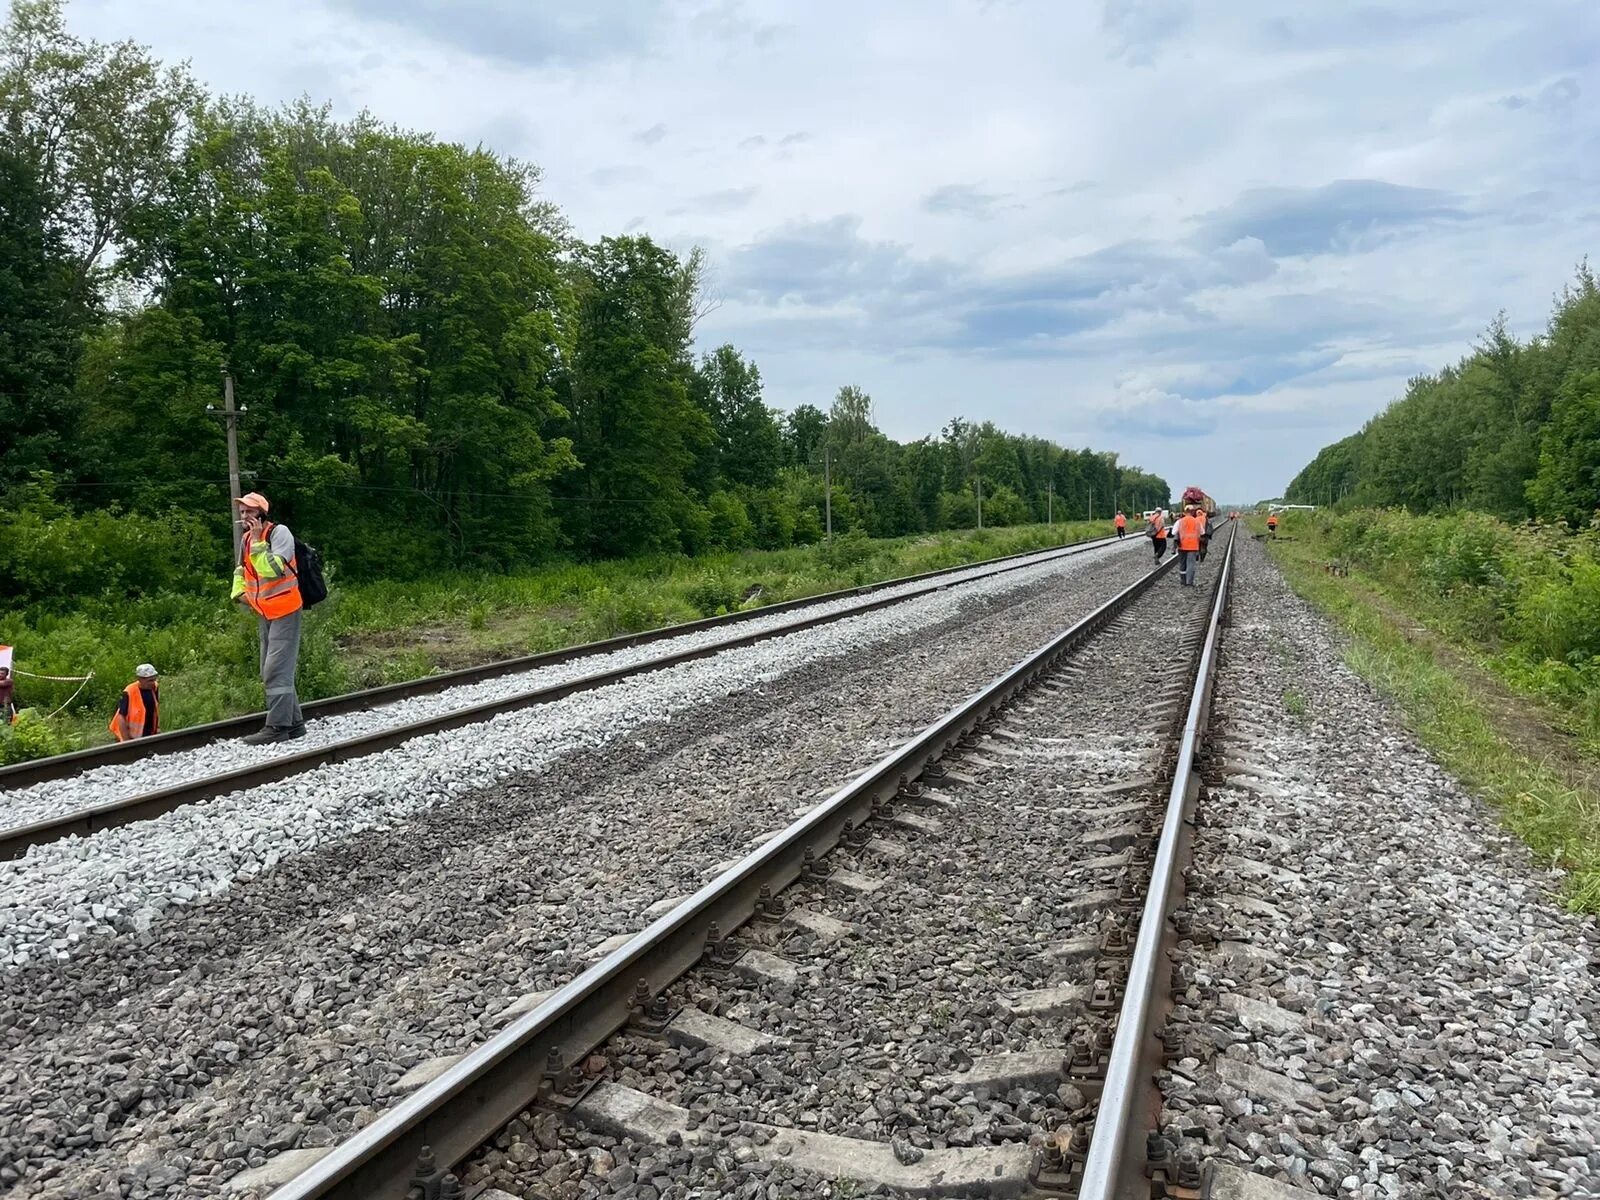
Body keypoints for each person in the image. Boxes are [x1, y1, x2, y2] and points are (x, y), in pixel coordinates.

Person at [231, 492, 306, 744]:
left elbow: (273, 570)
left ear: (262, 514)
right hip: (264, 612)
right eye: (242, 512)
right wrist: (238, 593)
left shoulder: (278, 533)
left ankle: (278, 726)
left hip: (285, 609)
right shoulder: (245, 540)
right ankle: (294, 724)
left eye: (250, 512)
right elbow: (242, 570)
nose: (244, 516)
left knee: (276, 669)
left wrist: (257, 542)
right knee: (270, 668)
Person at [109, 663, 160, 741]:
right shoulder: (129, 691)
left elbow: (155, 710)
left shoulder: (154, 687)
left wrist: (157, 728)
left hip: (148, 733)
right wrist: (127, 741)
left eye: (154, 679)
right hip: (131, 735)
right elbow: (121, 717)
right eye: (150, 680)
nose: (153, 682)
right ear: (140, 679)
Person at [1174, 505, 1203, 586]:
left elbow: (1173, 532)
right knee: (1191, 564)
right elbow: (1202, 532)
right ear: (1193, 512)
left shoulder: (1180, 521)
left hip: (1182, 546)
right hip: (1193, 546)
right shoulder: (1197, 521)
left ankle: (1183, 581)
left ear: (1185, 512)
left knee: (1182, 563)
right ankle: (1189, 582)